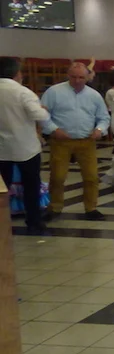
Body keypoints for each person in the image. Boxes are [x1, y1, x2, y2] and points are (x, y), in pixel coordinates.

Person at [40, 61, 110, 221]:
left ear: (87, 77)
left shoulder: (94, 95)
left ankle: (91, 208)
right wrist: (53, 129)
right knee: (57, 176)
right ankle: (54, 207)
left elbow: (104, 117)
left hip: (86, 141)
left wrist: (99, 130)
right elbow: (42, 114)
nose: (77, 81)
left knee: (91, 176)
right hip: (61, 141)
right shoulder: (54, 92)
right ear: (67, 76)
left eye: (81, 77)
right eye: (73, 77)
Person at [0, 56, 51, 233]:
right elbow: (40, 116)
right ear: (17, 73)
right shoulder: (23, 92)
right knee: (31, 186)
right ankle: (33, 222)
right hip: (25, 148)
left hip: (2, 149)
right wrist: (44, 111)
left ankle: (2, 222)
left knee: (2, 188)